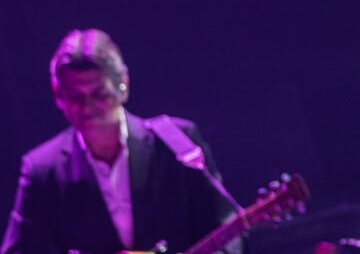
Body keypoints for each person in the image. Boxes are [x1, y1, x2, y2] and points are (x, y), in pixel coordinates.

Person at [1, 28, 243, 254]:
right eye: (74, 96)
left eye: (99, 93)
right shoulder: (42, 170)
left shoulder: (177, 143)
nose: (87, 107)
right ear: (58, 95)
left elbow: (228, 232)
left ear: (123, 85)